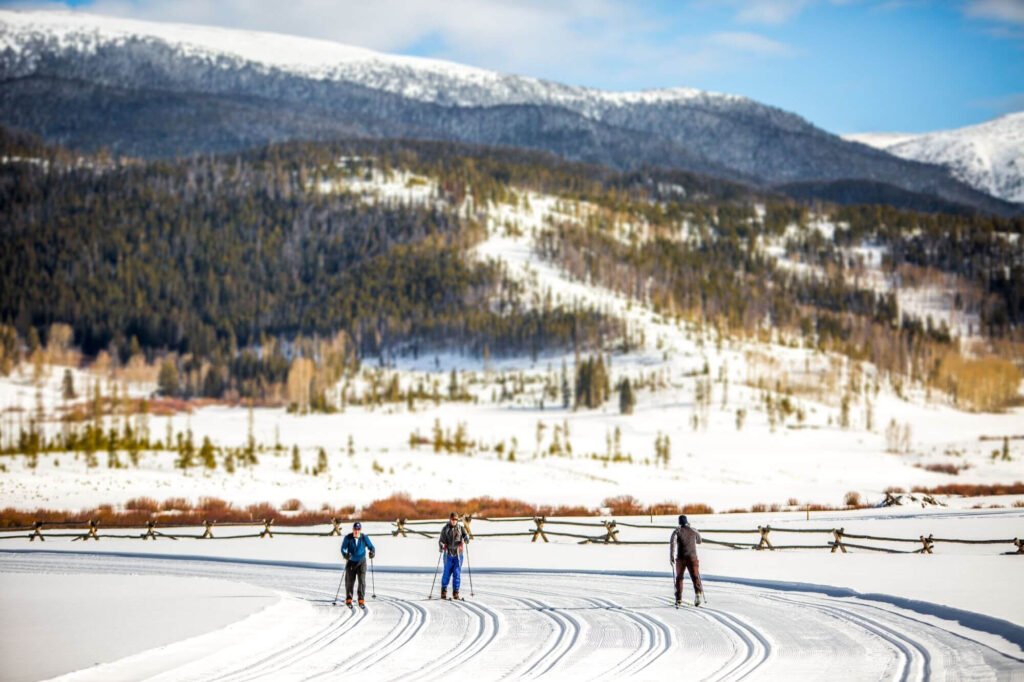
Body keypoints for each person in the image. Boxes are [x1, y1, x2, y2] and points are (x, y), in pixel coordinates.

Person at [670, 514, 704, 607]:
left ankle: (678, 599)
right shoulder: (694, 530)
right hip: (692, 557)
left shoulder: (676, 531)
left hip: (680, 558)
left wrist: (671, 556)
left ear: (679, 522)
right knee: (695, 576)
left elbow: (672, 543)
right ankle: (698, 593)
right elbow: (700, 541)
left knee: (679, 578)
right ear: (687, 522)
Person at [341, 521, 376, 607]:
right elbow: (343, 548)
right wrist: (345, 555)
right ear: (353, 529)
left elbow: (371, 547)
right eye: (355, 529)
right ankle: (349, 599)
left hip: (361, 562)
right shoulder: (348, 538)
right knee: (349, 581)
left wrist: (372, 552)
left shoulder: (364, 537)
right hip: (351, 562)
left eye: (358, 529)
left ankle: (361, 599)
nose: (356, 531)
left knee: (362, 581)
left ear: (360, 530)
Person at [438, 512, 469, 600]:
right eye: (452, 519)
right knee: (446, 573)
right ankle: (443, 590)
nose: (454, 521)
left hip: (458, 555)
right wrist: (441, 545)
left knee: (457, 573)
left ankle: (456, 592)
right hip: (448, 554)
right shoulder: (445, 529)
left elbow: (466, 536)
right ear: (450, 519)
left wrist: (466, 538)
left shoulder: (461, 528)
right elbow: (441, 540)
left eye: (455, 519)